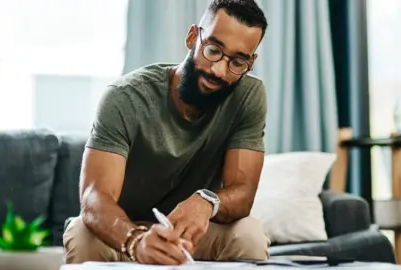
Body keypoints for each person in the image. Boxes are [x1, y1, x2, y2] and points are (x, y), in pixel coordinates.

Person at [64, 0, 269, 265]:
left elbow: (243, 193)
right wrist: (135, 241)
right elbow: (94, 197)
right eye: (213, 50)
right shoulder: (124, 97)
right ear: (193, 37)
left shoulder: (248, 96)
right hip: (125, 229)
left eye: (237, 62)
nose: (218, 70)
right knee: (82, 233)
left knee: (248, 234)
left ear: (250, 63)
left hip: (193, 233)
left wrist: (206, 202)